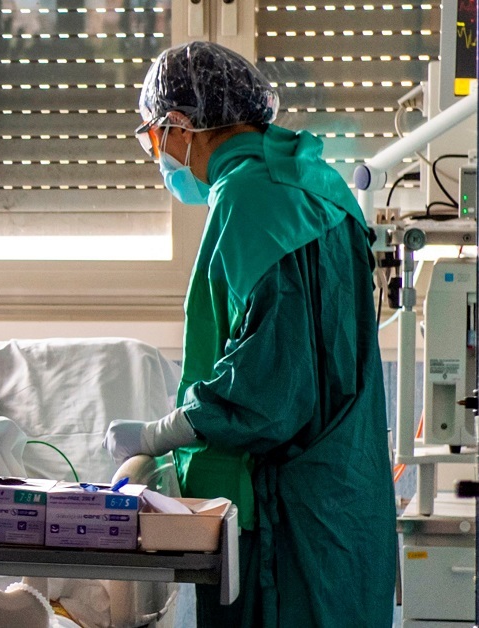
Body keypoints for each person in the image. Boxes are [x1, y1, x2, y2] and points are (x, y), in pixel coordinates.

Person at [103, 42, 395, 626]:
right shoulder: (312, 177)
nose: (158, 155)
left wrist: (161, 433)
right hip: (342, 502)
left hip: (289, 525)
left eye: (153, 138)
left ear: (180, 125)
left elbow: (269, 385)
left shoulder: (251, 198)